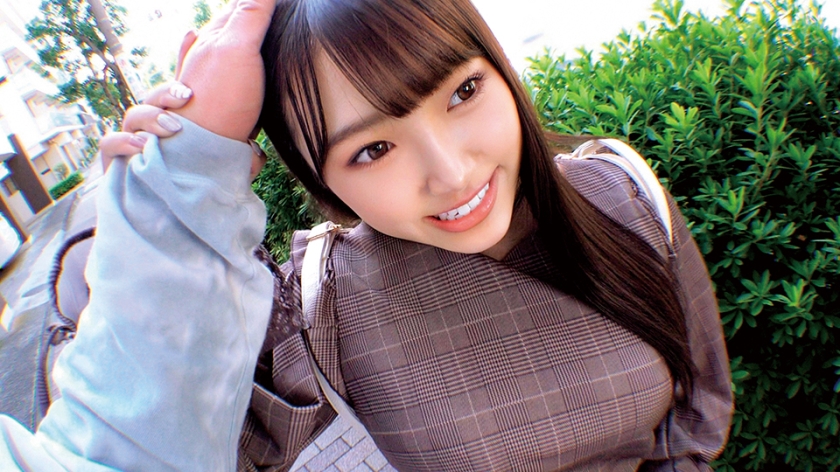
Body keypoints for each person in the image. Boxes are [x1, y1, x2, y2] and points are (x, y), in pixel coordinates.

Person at [0, 0, 733, 470]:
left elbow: (695, 418)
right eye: (373, 150)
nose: (451, 173)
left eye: (464, 91)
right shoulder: (313, 320)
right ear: (322, 183)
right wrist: (162, 197)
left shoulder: (620, 194)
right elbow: (144, 431)